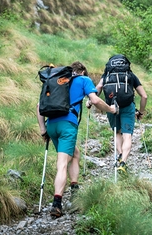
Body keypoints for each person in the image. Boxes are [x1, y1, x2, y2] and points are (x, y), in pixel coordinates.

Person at [36, 61, 116, 218]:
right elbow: (95, 100)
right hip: (67, 126)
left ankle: (74, 188)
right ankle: (57, 203)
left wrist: (43, 130)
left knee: (75, 154)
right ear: (83, 72)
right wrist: (111, 109)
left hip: (51, 125)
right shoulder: (83, 80)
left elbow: (40, 105)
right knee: (62, 164)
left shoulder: (57, 80)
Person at [87, 55, 147, 174]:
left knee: (117, 132)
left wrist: (91, 101)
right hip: (128, 107)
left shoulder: (107, 75)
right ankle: (123, 162)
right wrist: (141, 111)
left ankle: (119, 154)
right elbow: (144, 96)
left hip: (111, 107)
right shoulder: (130, 75)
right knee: (127, 135)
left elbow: (98, 88)